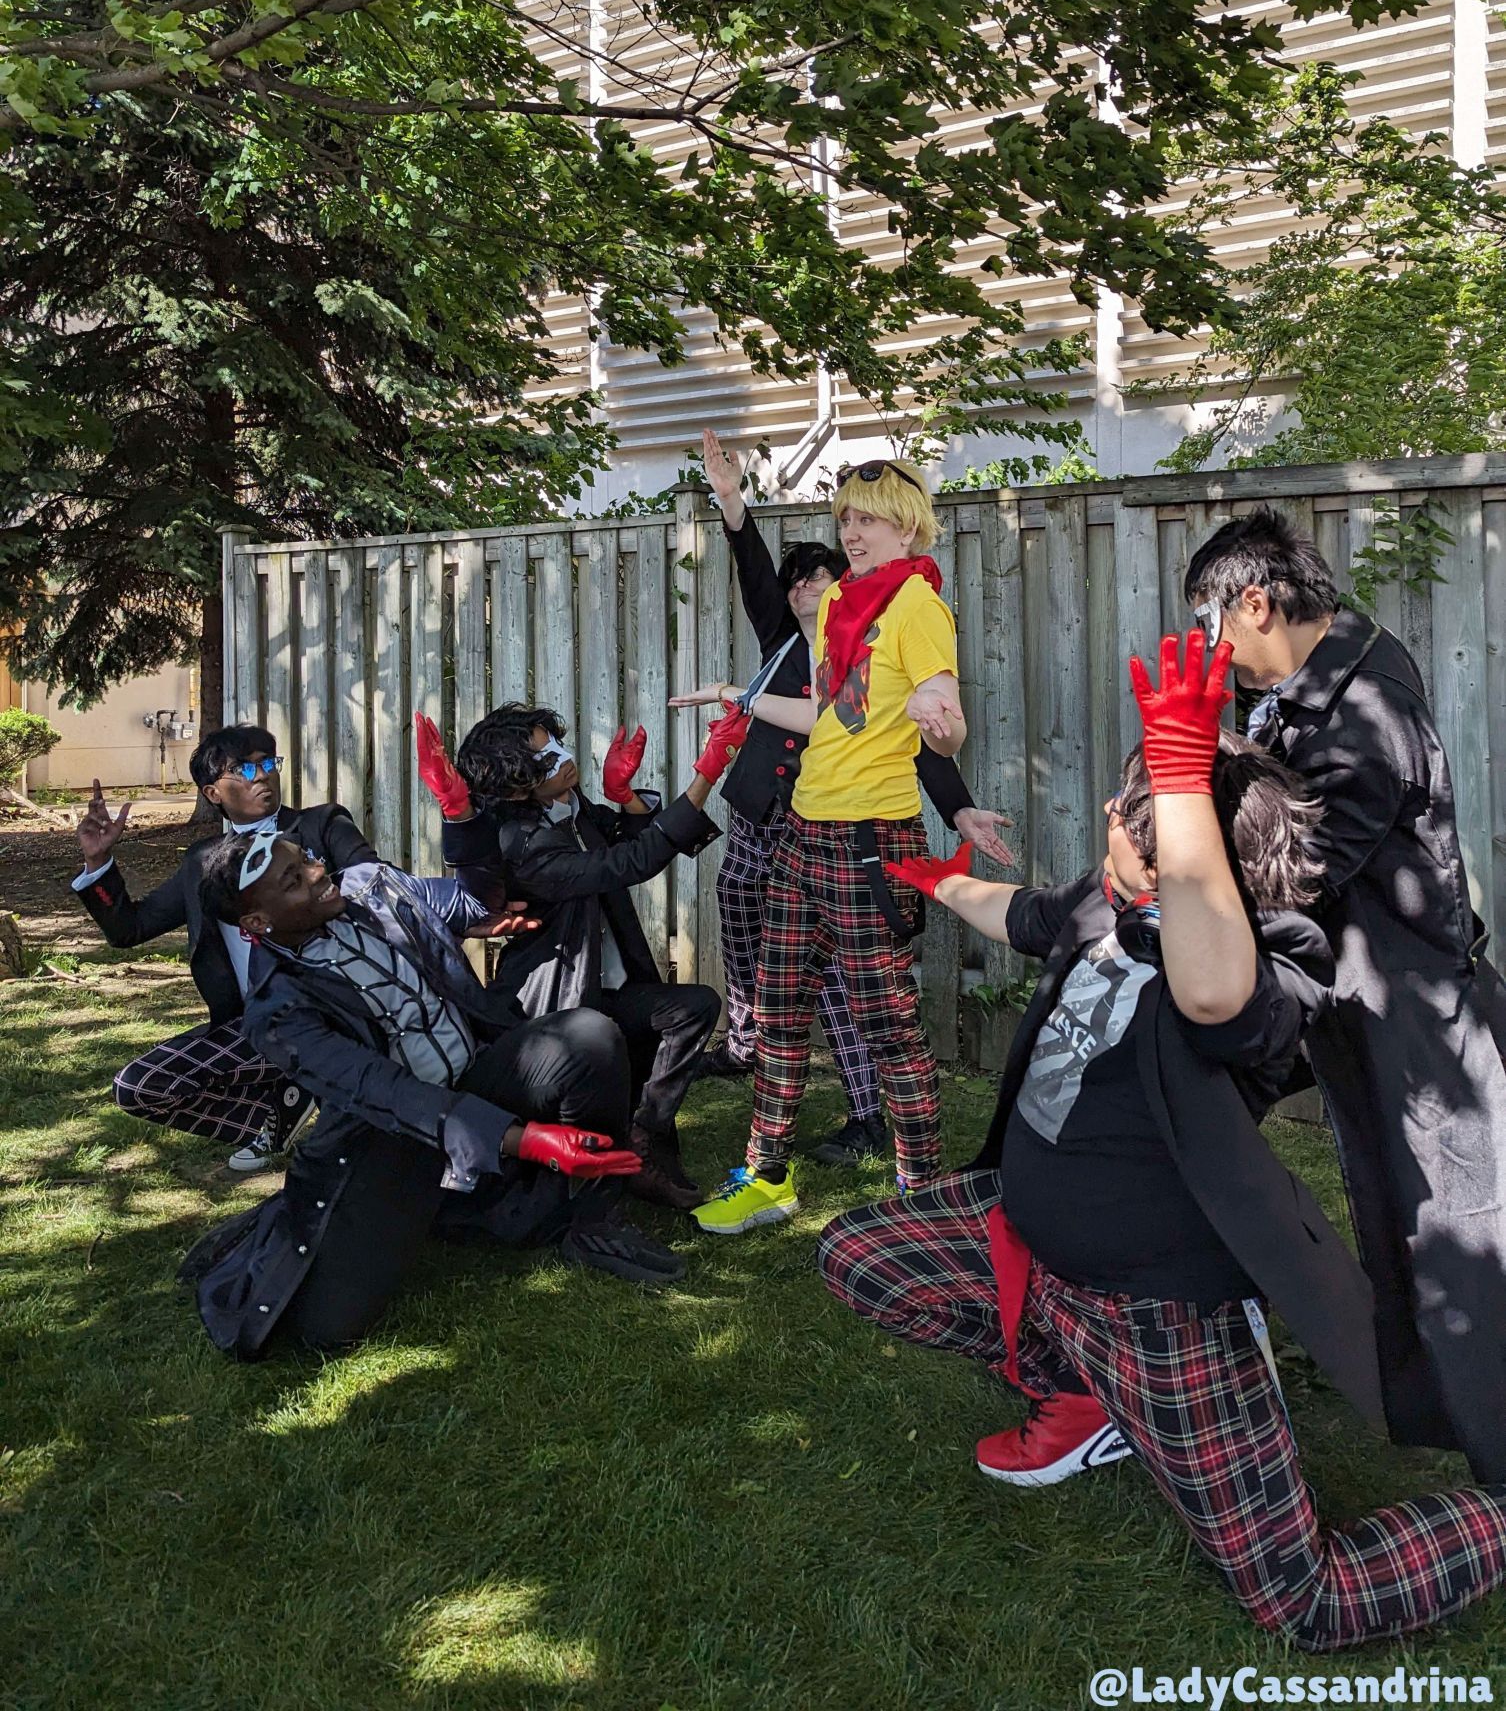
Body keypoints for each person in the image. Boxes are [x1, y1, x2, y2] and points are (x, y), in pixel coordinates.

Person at [819, 633, 1506, 1652]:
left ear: (1181, 849)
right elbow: (1018, 913)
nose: (1107, 817)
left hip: (1159, 1310)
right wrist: (937, 880)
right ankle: (1080, 1390)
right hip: (1032, 1243)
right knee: (855, 1254)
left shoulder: (1280, 960)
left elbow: (1213, 990)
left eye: (1132, 815)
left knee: (1304, 1599)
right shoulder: (1111, 901)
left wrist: (1183, 777)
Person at [1185, 506, 1506, 1485]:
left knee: (1463, 1237)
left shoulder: (1367, 712)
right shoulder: (1312, 676)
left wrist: (1196, 763)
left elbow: (1294, 869)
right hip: (1360, 999)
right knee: (1389, 1209)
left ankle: (1499, 1462)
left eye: (1214, 630)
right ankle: (1432, 1405)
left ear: (1255, 600)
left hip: (1423, 1019)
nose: (1215, 654)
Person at [181, 829, 680, 1359]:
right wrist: (525, 1139)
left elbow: (476, 894)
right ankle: (303, 1221)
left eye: (305, 858)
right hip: (395, 1135)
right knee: (324, 1329)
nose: (316, 870)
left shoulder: (374, 890)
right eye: (293, 879)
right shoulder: (277, 1012)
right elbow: (384, 1092)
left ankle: (590, 1220)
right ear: (259, 923)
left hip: (479, 1072)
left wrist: (462, 817)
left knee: (588, 1037)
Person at [683, 428, 1014, 1172]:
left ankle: (918, 1186)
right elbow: (828, 713)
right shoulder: (837, 601)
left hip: (870, 838)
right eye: (846, 519)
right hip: (803, 833)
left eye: (868, 518)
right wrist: (741, 696)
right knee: (778, 1011)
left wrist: (944, 723)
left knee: (888, 1025)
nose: (853, 532)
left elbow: (943, 711)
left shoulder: (919, 606)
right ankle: (766, 1174)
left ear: (907, 524)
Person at [415, 701, 749, 1211]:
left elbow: (626, 840)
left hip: (605, 984)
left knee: (696, 1006)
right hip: (557, 998)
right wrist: (707, 771)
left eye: (551, 741)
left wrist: (625, 799)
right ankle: (606, 1175)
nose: (559, 756)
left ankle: (646, 1133)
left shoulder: (564, 808)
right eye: (540, 756)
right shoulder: (522, 841)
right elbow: (631, 862)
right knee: (609, 1047)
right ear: (514, 783)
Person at [71, 724, 377, 1173]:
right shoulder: (204, 862)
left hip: (338, 1011)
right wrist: (98, 862)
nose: (263, 775)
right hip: (256, 1025)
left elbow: (373, 879)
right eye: (246, 768)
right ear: (213, 792)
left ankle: (328, 1103)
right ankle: (282, 1109)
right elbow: (129, 929)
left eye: (269, 762)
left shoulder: (319, 826)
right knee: (139, 1086)